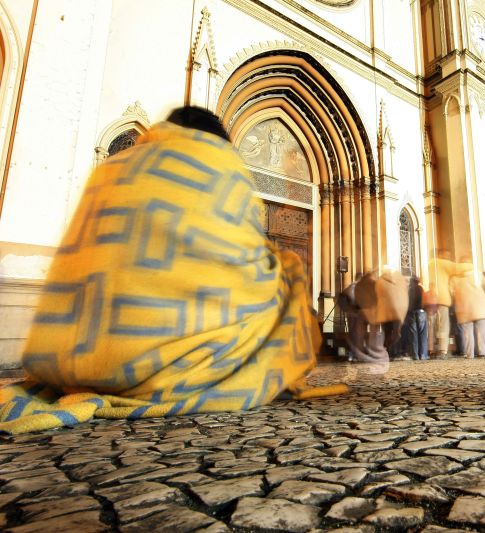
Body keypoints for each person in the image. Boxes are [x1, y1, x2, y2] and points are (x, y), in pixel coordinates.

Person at [0, 106, 346, 434]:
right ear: (219, 143)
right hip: (174, 366)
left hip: (73, 360)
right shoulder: (224, 168)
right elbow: (245, 264)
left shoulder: (110, 169)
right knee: (287, 271)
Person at [355, 267, 409, 362]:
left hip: (380, 313)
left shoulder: (376, 282)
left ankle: (380, 352)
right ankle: (385, 351)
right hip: (390, 313)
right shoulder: (384, 283)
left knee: (377, 333)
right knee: (390, 334)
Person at [427, 250, 472, 358]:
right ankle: (442, 350)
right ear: (440, 255)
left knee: (431, 326)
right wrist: (471, 264)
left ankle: (431, 349)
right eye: (447, 256)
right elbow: (459, 268)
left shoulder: (429, 264)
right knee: (443, 326)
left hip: (430, 299)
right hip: (442, 299)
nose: (448, 258)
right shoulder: (443, 263)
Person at [452, 262, 485, 358]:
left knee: (467, 333)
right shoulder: (478, 275)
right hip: (480, 308)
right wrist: (484, 300)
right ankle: (482, 353)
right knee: (481, 332)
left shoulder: (456, 279)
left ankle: (470, 354)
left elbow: (452, 293)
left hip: (465, 309)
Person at [401, 276, 428, 360]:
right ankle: (423, 355)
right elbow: (425, 300)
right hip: (421, 312)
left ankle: (415, 355)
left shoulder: (409, 290)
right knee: (422, 334)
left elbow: (407, 302)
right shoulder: (421, 289)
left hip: (412, 313)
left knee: (414, 335)